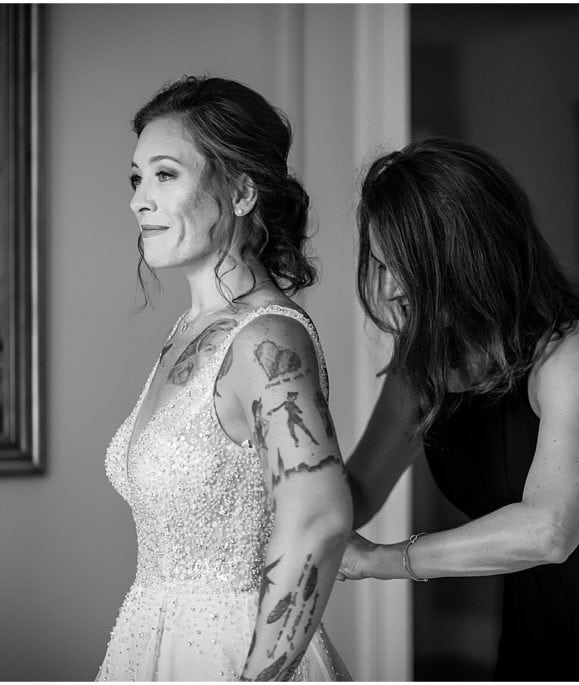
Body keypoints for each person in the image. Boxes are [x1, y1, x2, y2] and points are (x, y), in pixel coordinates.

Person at [339, 138, 579, 680]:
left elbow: (548, 530)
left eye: (406, 267)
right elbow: (357, 492)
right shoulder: (423, 366)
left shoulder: (576, 354)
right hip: (537, 617)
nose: (388, 290)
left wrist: (380, 562)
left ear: (467, 257)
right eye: (380, 265)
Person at [97, 76, 351, 682]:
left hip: (233, 655)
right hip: (152, 642)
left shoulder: (266, 338)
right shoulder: (190, 328)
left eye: (164, 174)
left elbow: (320, 518)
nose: (138, 200)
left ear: (240, 191)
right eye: (137, 178)